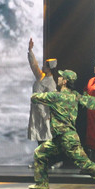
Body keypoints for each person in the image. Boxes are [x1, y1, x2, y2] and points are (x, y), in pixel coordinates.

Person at [29, 70, 95, 189]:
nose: (58, 78)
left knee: (84, 163)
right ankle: (41, 183)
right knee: (40, 153)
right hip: (60, 138)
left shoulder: (55, 96)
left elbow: (34, 98)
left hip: (67, 139)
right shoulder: (75, 96)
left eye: (61, 77)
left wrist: (38, 90)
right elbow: (91, 102)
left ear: (65, 81)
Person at [26, 38, 57, 168]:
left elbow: (52, 99)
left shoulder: (50, 82)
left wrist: (49, 114)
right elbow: (34, 66)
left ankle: (47, 162)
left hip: (44, 113)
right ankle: (41, 161)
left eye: (45, 65)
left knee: (45, 138)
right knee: (40, 137)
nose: (42, 66)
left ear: (49, 69)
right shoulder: (41, 77)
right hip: (37, 112)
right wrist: (30, 50)